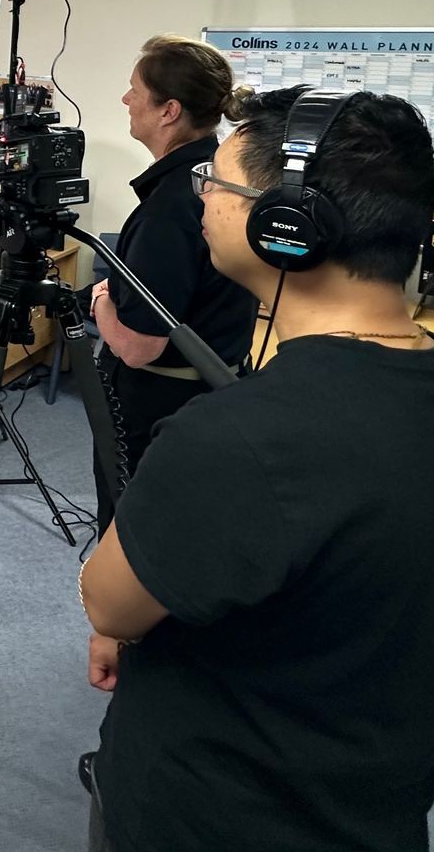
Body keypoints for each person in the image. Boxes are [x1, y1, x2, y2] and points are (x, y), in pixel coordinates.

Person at [76, 87, 434, 852]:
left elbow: (110, 605)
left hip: (201, 820)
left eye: (216, 184)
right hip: (375, 816)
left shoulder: (238, 442)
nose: (202, 200)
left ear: (287, 224)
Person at [87, 35, 257, 517]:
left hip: (157, 403)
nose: (125, 99)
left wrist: (101, 301)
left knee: (133, 525)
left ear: (169, 111)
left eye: (135, 89)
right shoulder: (221, 178)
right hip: (211, 392)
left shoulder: (169, 209)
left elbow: (138, 348)